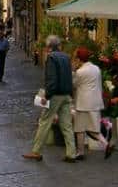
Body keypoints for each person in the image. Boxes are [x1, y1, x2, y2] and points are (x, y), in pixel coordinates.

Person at [23, 35, 77, 163]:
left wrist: (47, 96)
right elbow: (69, 76)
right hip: (66, 94)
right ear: (59, 45)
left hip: (55, 95)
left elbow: (52, 79)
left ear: (49, 47)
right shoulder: (66, 57)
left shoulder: (51, 58)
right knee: (67, 125)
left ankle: (36, 151)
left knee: (44, 122)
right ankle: (71, 153)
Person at [72, 48, 112, 160]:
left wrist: (73, 71)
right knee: (94, 128)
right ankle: (105, 144)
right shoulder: (96, 69)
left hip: (83, 104)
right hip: (95, 103)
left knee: (79, 128)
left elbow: (74, 85)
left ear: (79, 59)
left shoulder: (80, 72)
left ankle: (80, 152)